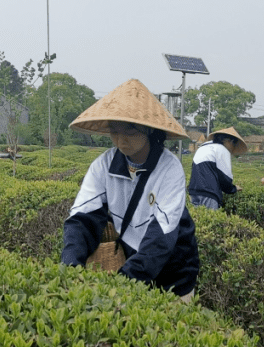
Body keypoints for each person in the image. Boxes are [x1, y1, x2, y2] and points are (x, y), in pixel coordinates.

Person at [61, 78, 199, 300]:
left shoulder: (169, 168)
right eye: (115, 131)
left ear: (149, 130)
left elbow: (160, 238)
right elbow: (82, 218)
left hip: (174, 272)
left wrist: (122, 283)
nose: (121, 139)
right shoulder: (103, 166)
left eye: (130, 130)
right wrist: (70, 267)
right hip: (131, 262)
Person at [188, 126, 248, 209]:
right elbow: (225, 178)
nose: (233, 147)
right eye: (234, 143)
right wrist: (233, 188)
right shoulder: (222, 149)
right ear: (228, 141)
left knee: (198, 219)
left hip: (193, 191)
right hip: (209, 193)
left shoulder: (203, 147)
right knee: (210, 219)